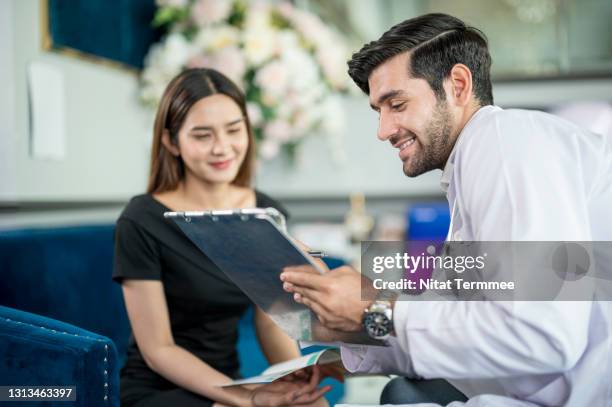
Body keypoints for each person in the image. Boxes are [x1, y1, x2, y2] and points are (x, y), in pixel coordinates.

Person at [280, 13, 612, 406]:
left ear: (458, 85)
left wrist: (375, 306)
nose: (383, 130)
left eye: (397, 104)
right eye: (378, 111)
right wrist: (345, 346)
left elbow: (543, 335)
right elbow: (452, 325)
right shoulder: (473, 170)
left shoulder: (505, 143)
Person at [113, 68, 330, 407]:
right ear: (171, 141)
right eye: (202, 135)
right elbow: (158, 350)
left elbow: (271, 320)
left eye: (233, 130)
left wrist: (294, 377)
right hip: (161, 388)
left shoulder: (265, 213)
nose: (222, 148)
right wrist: (244, 398)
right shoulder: (141, 220)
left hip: (231, 379)